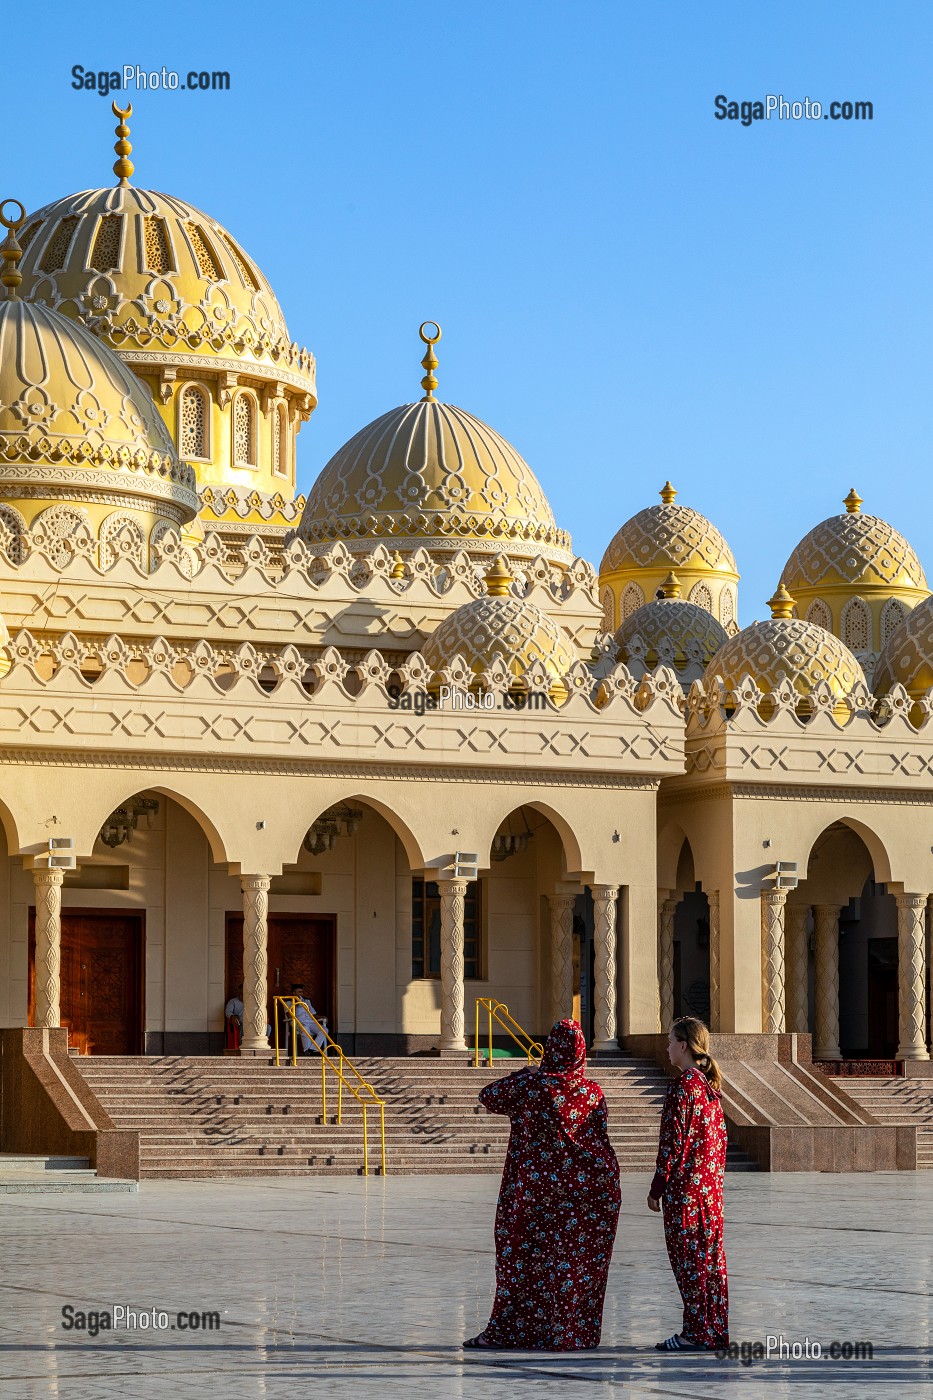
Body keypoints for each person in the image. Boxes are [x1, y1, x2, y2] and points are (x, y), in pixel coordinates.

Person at [464, 1018, 621, 1351]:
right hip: (583, 1195)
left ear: (551, 1048)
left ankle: (515, 1331)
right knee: (572, 1265)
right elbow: (599, 1137)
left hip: (534, 1195)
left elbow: (488, 1095)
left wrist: (527, 1073)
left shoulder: (531, 1087)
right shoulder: (592, 1092)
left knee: (524, 1261)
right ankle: (570, 1334)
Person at [648, 1015, 729, 1353]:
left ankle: (694, 1333)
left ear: (683, 1046)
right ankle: (715, 1330)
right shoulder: (711, 1090)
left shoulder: (683, 1087)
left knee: (690, 1264)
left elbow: (672, 1142)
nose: (667, 1048)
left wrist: (657, 1187)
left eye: (670, 1042)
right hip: (710, 1195)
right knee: (710, 1265)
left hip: (686, 1196)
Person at [290, 983, 327, 1056]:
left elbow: (313, 1014)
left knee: (324, 1030)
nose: (301, 994)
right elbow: (289, 1015)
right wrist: (296, 1004)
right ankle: (307, 1051)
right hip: (299, 1023)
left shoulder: (307, 1001)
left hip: (310, 1022)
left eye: (302, 992)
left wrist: (322, 1017)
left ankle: (313, 1049)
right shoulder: (289, 1002)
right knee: (305, 1029)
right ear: (294, 993)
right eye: (299, 992)